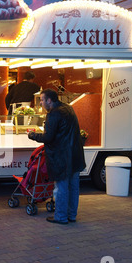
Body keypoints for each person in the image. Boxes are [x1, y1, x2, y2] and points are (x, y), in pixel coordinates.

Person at [27, 89, 86, 225]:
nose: (41, 103)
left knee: (61, 187)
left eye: (42, 100)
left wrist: (33, 135)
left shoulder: (53, 114)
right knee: (74, 187)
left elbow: (48, 137)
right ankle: (71, 215)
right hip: (75, 155)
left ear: (49, 100)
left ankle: (61, 217)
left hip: (62, 157)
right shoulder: (69, 108)